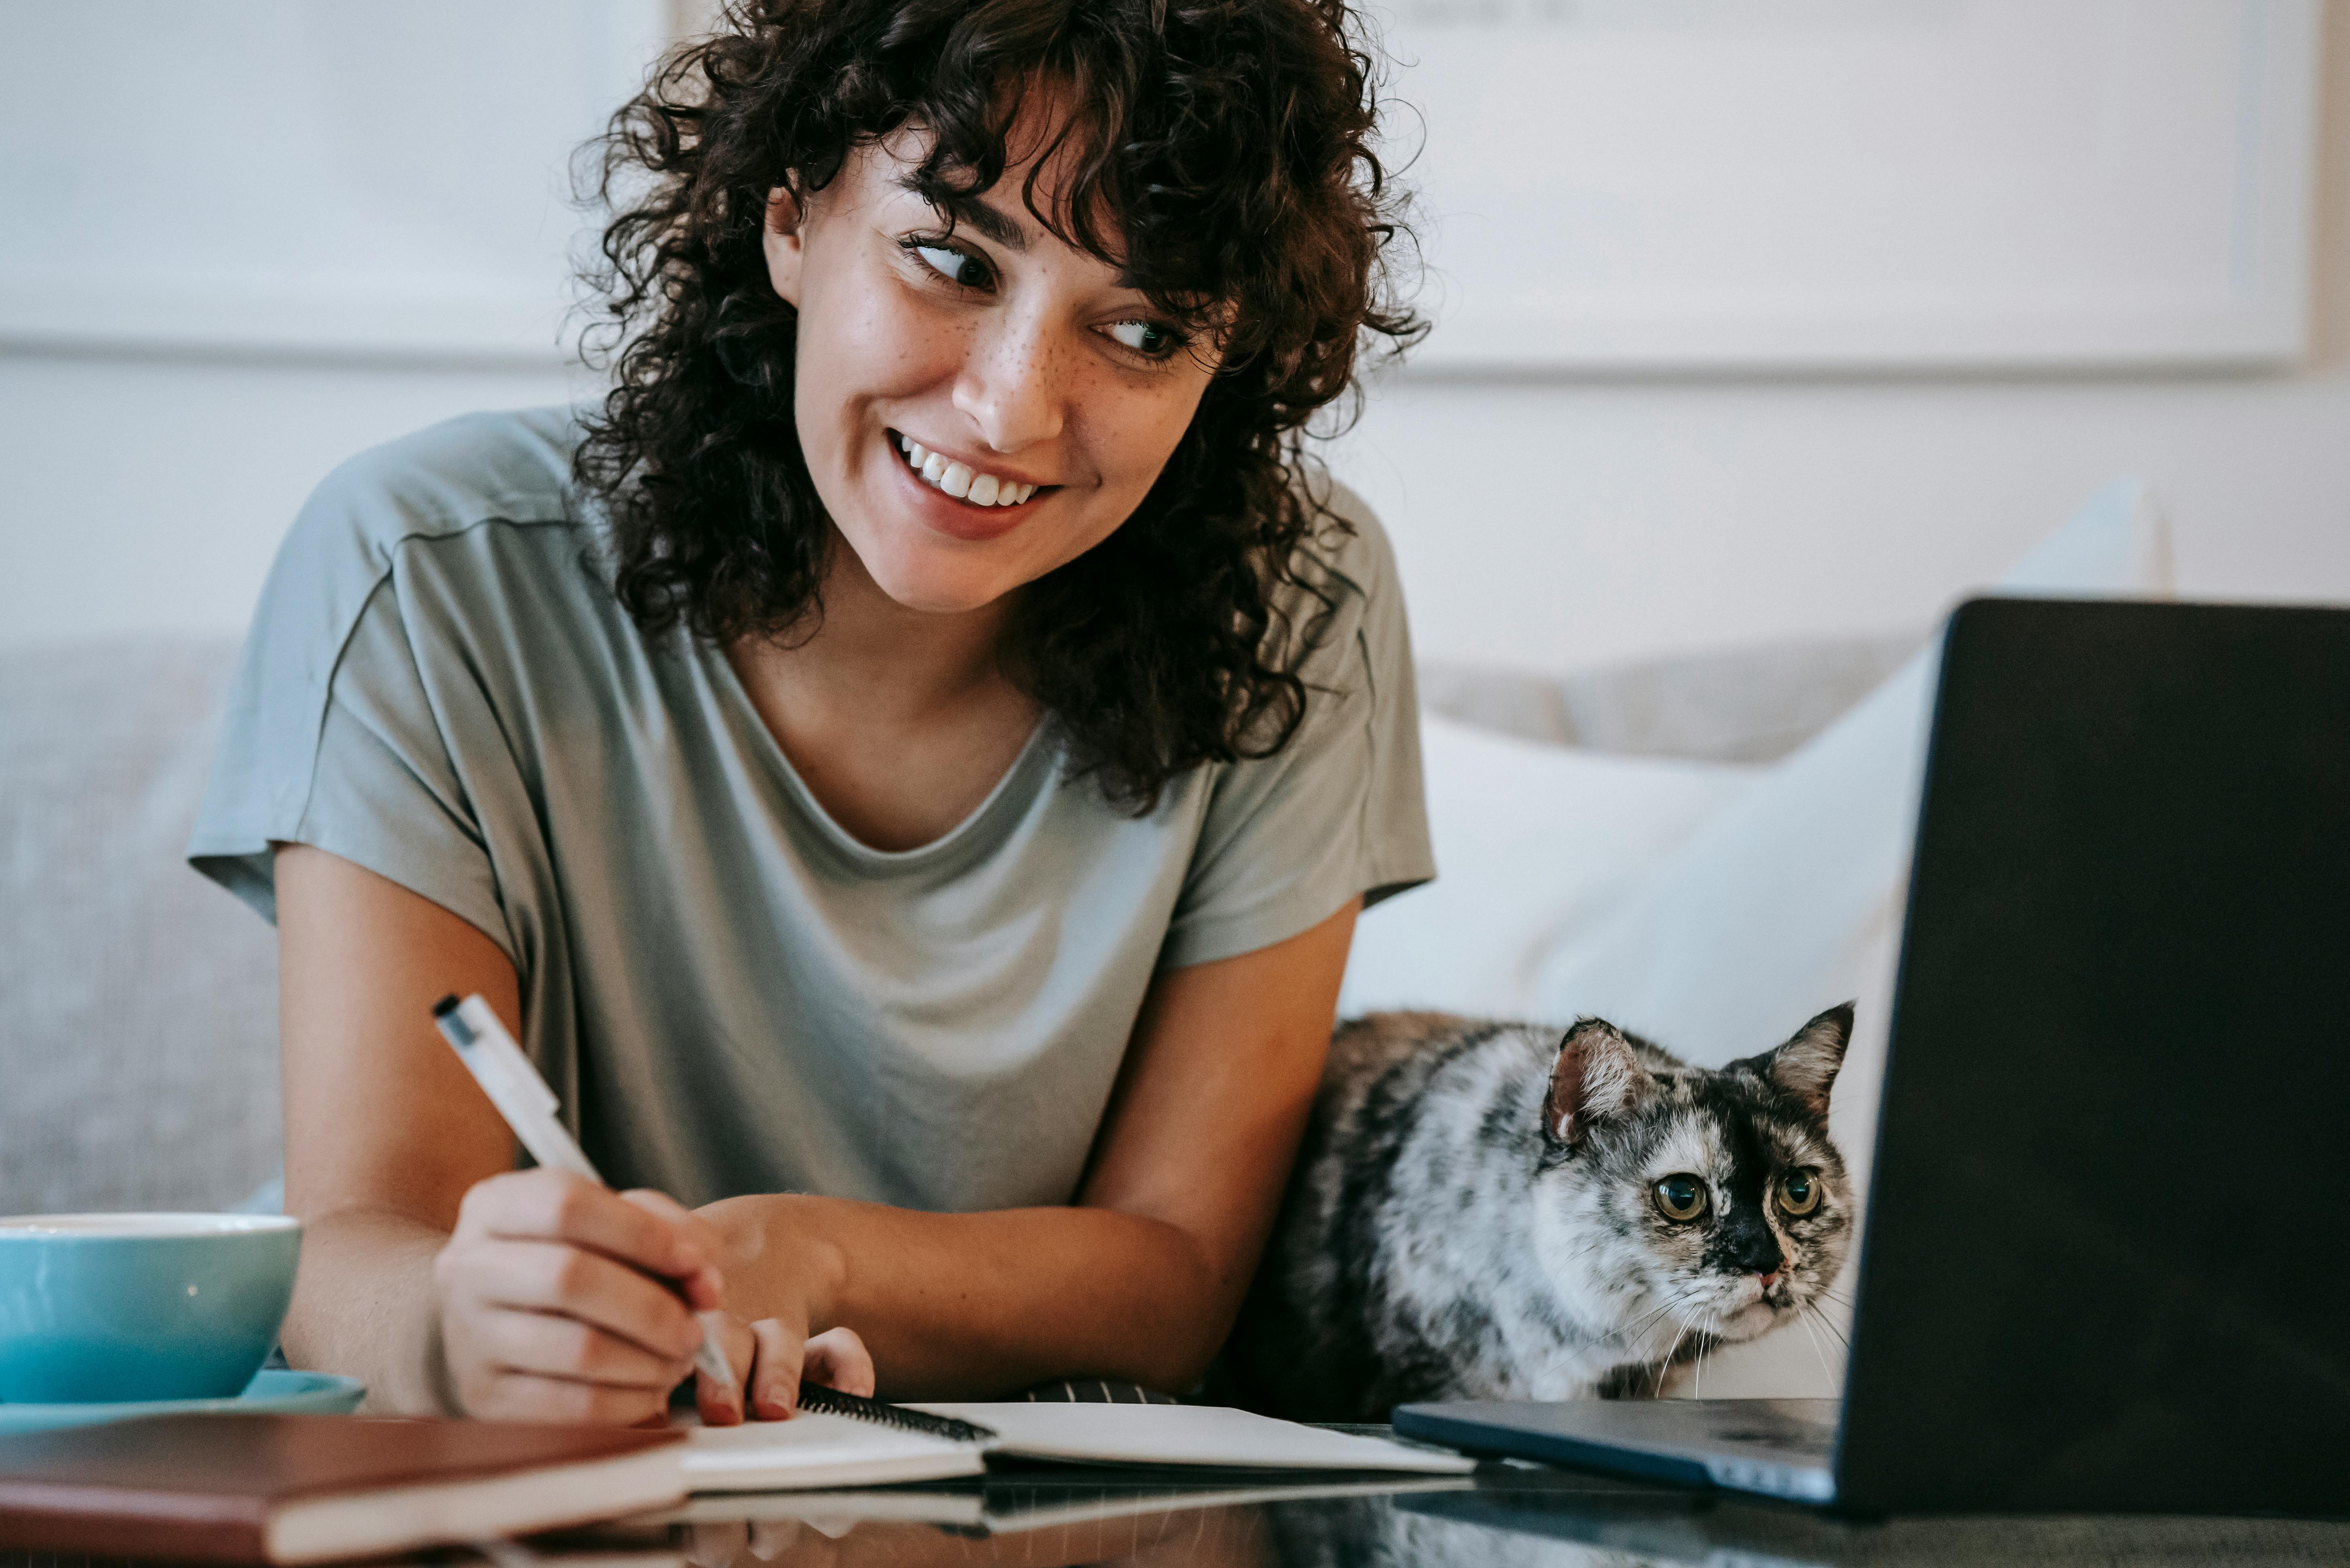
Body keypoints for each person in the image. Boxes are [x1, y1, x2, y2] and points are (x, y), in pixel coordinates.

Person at [189, 0, 1428, 1425]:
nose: (1012, 409)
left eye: (1142, 328)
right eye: (952, 258)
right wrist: (465, 1330)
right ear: (790, 218)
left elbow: (1179, 1273)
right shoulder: (423, 575)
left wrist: (811, 1254)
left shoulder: (1299, 603)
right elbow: (359, 1246)